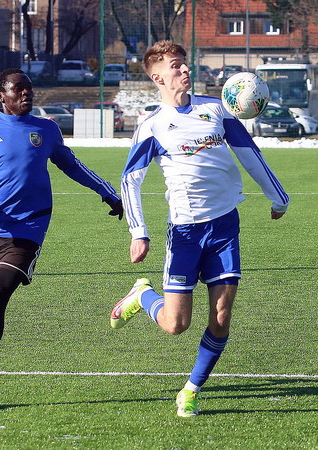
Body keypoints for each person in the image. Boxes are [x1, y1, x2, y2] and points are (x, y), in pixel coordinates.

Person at [110, 41, 289, 417]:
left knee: (221, 315)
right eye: (175, 65)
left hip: (224, 226)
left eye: (184, 63)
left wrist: (279, 198)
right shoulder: (153, 126)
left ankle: (192, 388)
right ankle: (143, 296)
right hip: (186, 233)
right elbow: (130, 180)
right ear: (157, 77)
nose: (185, 69)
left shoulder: (218, 109)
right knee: (176, 324)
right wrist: (138, 232)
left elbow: (250, 155)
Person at [0, 68, 123, 407]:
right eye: (18, 89)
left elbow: (71, 165)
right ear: (1, 96)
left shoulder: (46, 129)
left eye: (29, 88)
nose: (26, 93)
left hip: (28, 230)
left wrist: (107, 193)